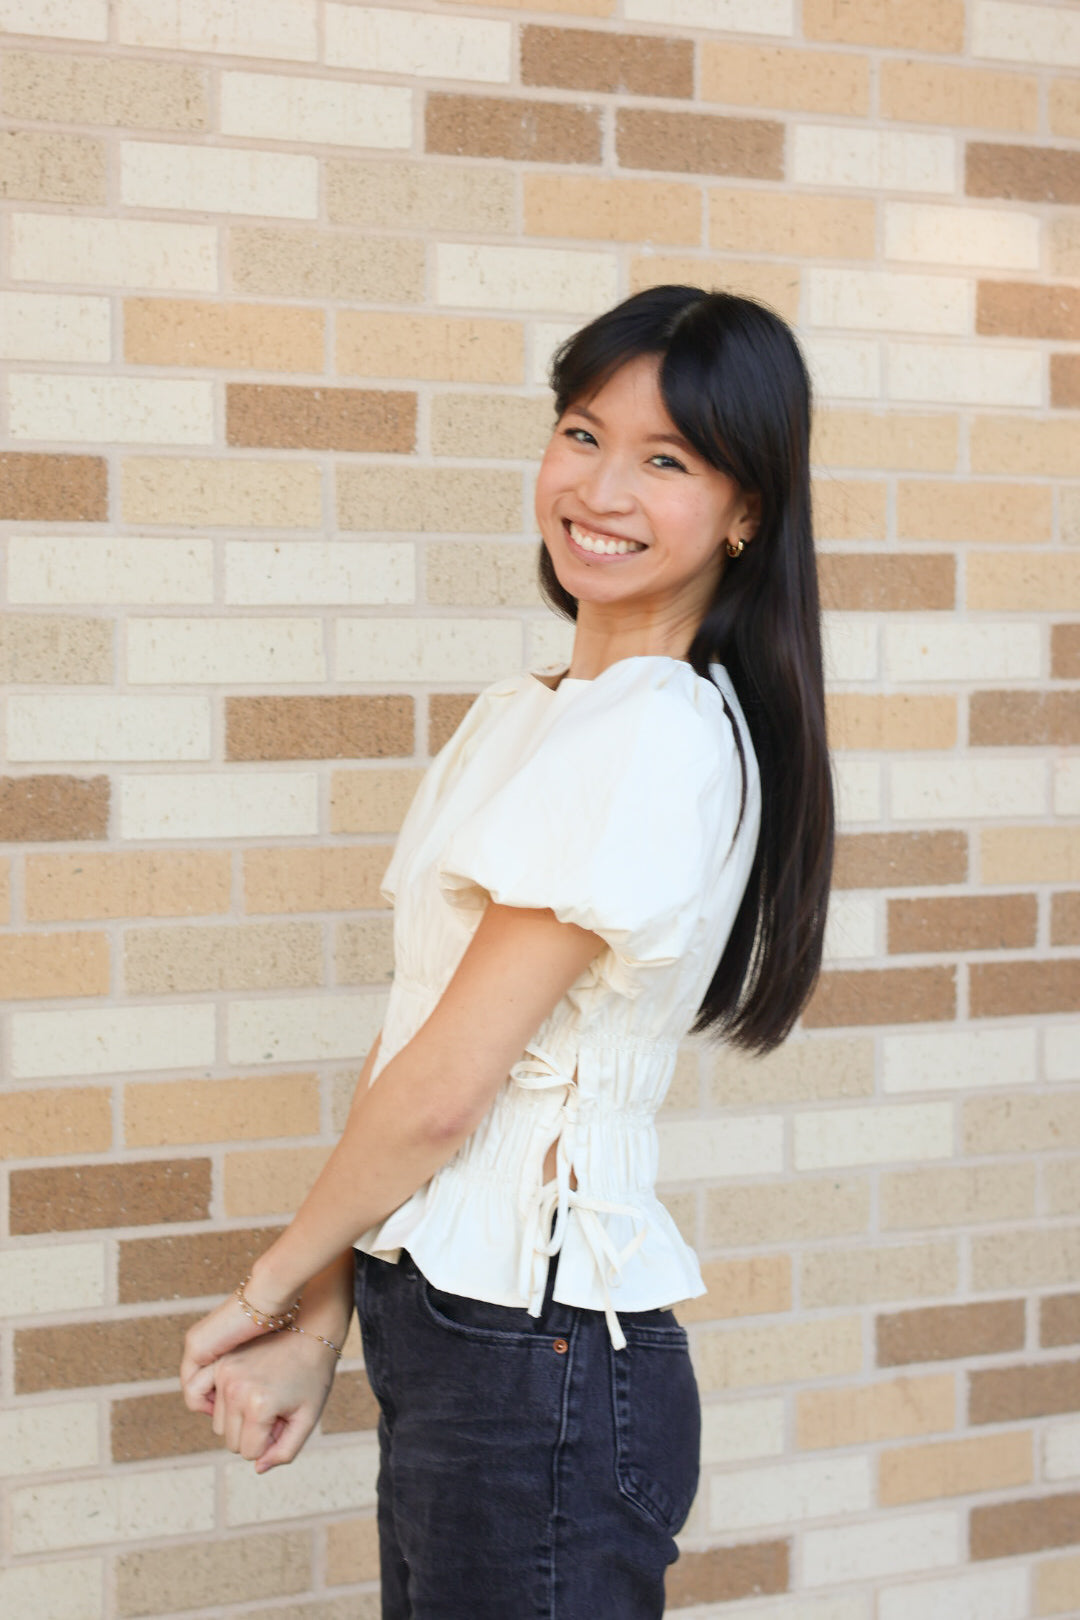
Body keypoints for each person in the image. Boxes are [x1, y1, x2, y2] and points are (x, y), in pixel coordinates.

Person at [180, 284, 834, 1619]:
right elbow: (415, 1037)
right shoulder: (527, 716)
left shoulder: (651, 730)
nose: (601, 487)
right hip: (458, 1337)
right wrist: (318, 1320)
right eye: (582, 434)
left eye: (667, 460)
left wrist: (265, 1286)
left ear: (746, 511)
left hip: (541, 1367)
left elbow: (442, 1096)